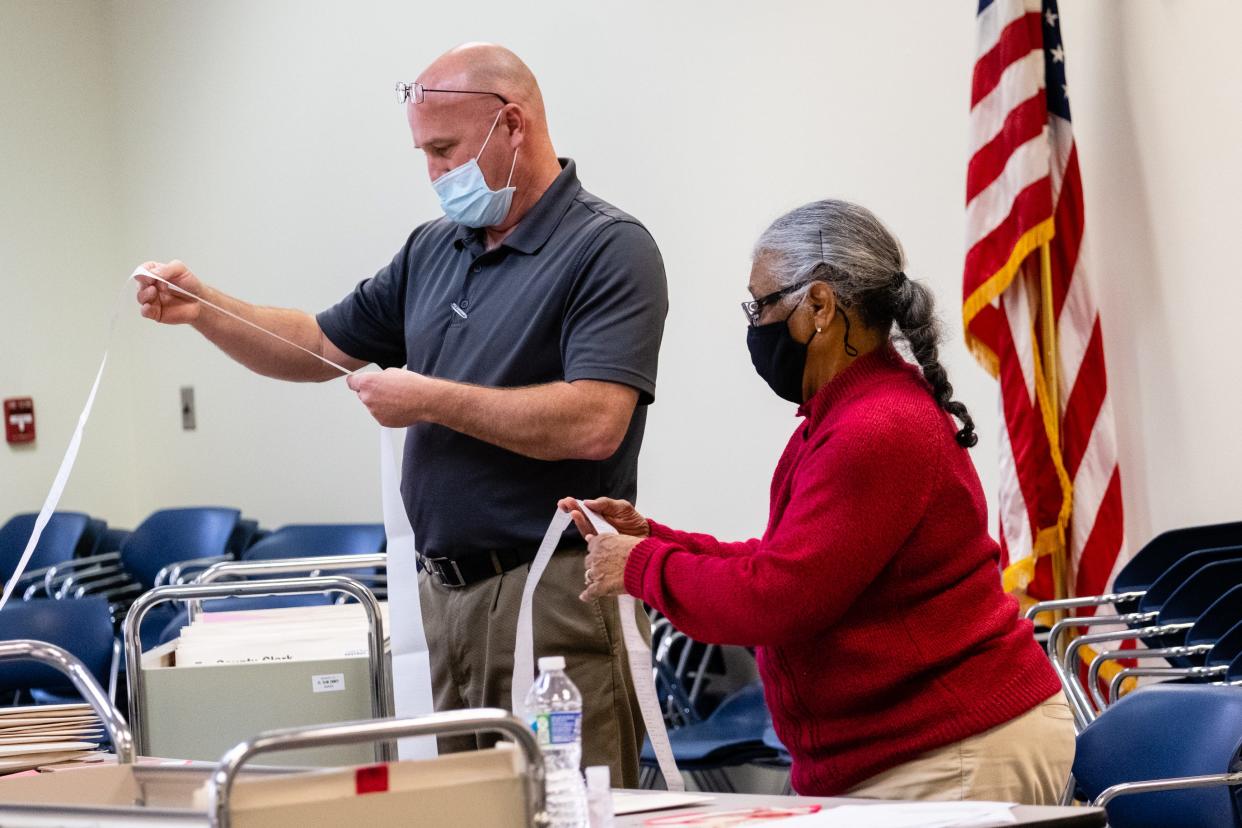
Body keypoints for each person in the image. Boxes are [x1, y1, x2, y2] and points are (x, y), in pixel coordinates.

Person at [134, 43, 667, 786]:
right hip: (444, 595)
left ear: (512, 124)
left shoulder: (608, 248)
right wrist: (207, 308)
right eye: (424, 152)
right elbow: (320, 342)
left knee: (569, 800)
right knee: (474, 805)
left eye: (446, 149)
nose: (435, 173)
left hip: (552, 591)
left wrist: (427, 398)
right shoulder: (433, 250)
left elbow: (594, 421)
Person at [564, 199, 1074, 802]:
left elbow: (780, 597)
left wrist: (643, 568)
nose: (753, 326)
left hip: (953, 750)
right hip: (917, 753)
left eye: (760, 306)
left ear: (820, 306)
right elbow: (789, 561)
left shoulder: (876, 428)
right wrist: (658, 540)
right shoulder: (844, 419)